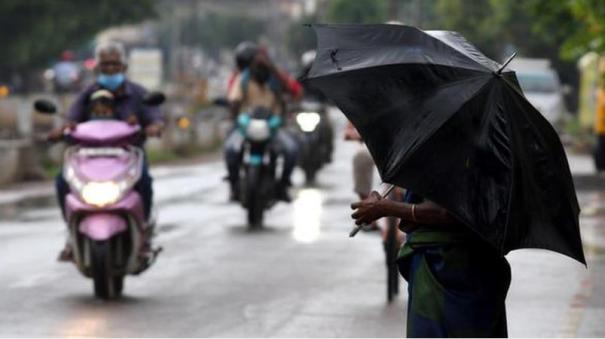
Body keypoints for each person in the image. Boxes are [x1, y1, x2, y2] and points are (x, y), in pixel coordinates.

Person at [51, 41, 164, 261]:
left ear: (123, 67)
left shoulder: (138, 93)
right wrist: (63, 129)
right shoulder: (87, 94)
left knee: (146, 183)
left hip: (127, 160)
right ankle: (71, 234)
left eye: (114, 65)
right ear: (97, 68)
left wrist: (154, 126)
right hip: (89, 160)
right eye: (105, 66)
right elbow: (71, 119)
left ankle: (143, 233)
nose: (110, 70)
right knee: (61, 182)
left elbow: (154, 116)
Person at [351, 187, 511, 337]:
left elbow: (444, 211)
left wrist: (386, 207)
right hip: (478, 268)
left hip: (446, 267)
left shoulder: (455, 159)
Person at [225, 50, 299, 202]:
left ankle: (283, 186)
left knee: (291, 150)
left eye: (265, 67)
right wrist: (234, 118)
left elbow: (294, 91)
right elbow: (234, 99)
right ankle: (234, 185)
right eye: (258, 67)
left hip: (273, 126)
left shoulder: (276, 79)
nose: (261, 71)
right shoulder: (243, 79)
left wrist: (275, 72)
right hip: (247, 126)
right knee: (230, 150)